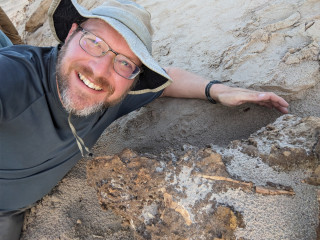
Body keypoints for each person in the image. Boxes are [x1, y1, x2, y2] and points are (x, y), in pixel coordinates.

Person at [0, 0, 289, 239]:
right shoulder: (14, 78)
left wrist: (217, 90)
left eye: (124, 61)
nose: (100, 70)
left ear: (134, 78)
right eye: (94, 42)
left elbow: (170, 78)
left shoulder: (114, 91)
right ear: (72, 31)